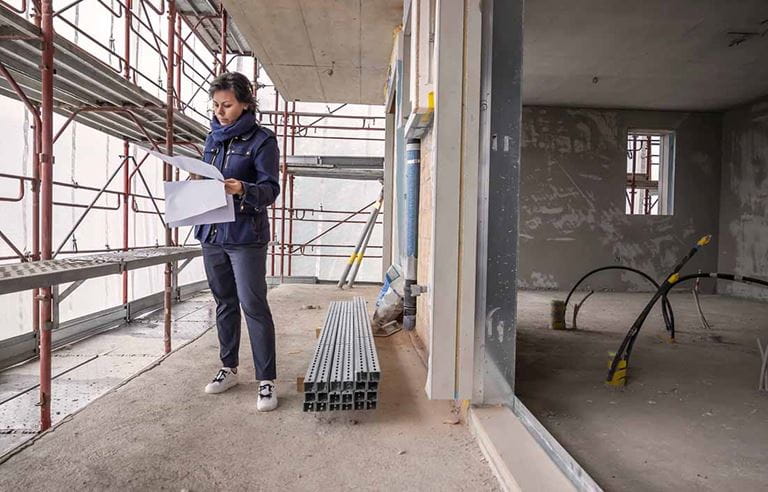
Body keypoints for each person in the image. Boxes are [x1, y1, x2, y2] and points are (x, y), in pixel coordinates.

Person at [194, 71, 280, 412]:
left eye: (227, 105)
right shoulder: (212, 138)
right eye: (215, 105)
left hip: (245, 237)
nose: (220, 112)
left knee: (253, 305)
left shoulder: (263, 141)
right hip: (212, 233)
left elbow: (271, 190)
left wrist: (242, 188)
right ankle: (228, 368)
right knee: (224, 303)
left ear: (245, 104)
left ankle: (267, 380)